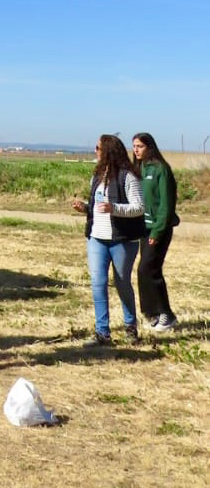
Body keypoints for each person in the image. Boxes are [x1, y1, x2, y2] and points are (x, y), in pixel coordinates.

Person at [71, 134, 145, 346]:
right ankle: (102, 332)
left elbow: (139, 207)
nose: (95, 151)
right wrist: (84, 207)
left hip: (122, 239)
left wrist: (115, 208)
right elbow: (97, 206)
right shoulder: (96, 176)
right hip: (97, 238)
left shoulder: (128, 176)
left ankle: (130, 327)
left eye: (98, 148)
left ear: (108, 151)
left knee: (122, 283)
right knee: (98, 283)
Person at [132, 132, 179, 332]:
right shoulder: (138, 168)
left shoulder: (161, 169)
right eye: (134, 146)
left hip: (158, 229)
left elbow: (166, 206)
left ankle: (165, 314)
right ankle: (153, 313)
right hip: (144, 228)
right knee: (148, 270)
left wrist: (157, 232)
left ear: (150, 147)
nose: (136, 150)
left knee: (147, 269)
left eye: (140, 146)